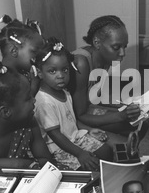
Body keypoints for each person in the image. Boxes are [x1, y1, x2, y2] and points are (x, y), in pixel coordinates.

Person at [34, 37, 114, 171]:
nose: (60, 75)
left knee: (106, 151)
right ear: (40, 73)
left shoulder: (65, 92)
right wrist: (80, 153)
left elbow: (71, 120)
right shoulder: (44, 101)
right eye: (52, 71)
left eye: (65, 70)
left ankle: (106, 178)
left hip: (75, 138)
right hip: (58, 147)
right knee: (87, 166)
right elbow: (56, 135)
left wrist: (89, 131)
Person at [69, 15, 148, 144]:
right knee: (124, 143)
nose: (122, 53)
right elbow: (80, 115)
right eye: (116, 47)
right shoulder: (81, 63)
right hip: (73, 119)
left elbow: (93, 96)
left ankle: (128, 154)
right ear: (97, 43)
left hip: (87, 109)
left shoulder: (106, 59)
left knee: (141, 123)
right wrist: (120, 115)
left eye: (124, 47)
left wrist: (125, 106)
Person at [0, 15, 45, 97]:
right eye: (35, 51)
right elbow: (21, 106)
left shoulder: (24, 74)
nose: (41, 56)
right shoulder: (4, 82)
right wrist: (34, 86)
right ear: (14, 51)